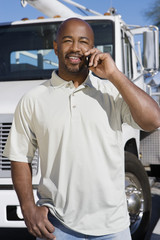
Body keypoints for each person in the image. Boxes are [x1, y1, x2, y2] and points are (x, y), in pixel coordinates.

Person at [3, 18, 160, 240]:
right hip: (56, 227)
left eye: (83, 41)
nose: (75, 48)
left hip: (113, 228)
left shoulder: (112, 92)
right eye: (67, 40)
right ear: (56, 47)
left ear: (93, 48)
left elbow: (153, 120)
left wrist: (114, 74)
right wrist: (28, 208)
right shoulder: (33, 99)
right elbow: (19, 157)